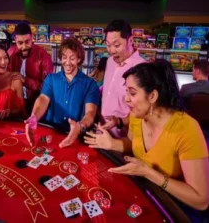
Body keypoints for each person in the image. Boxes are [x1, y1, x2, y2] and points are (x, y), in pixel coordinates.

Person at [84, 60, 209, 221]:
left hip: (174, 208)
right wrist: (111, 144)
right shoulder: (137, 116)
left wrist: (149, 173)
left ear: (152, 96)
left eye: (132, 93)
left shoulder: (187, 128)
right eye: (126, 92)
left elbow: (201, 200)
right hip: (144, 193)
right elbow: (133, 145)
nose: (126, 99)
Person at [25, 38, 99, 147]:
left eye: (72, 58)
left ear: (79, 59)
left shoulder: (90, 84)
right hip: (51, 133)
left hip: (75, 138)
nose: (67, 62)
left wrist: (79, 126)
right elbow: (43, 99)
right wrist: (34, 116)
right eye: (64, 58)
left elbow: (90, 114)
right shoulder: (51, 79)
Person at [101, 19, 145, 138]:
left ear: (130, 40)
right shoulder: (110, 61)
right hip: (102, 130)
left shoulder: (142, 68)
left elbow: (144, 111)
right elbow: (109, 89)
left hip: (125, 137)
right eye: (108, 45)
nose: (111, 50)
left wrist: (120, 121)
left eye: (116, 45)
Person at [8, 22, 53, 114]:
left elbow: (48, 88)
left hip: (35, 106)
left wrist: (25, 80)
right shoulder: (10, 53)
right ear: (15, 40)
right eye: (20, 43)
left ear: (32, 38)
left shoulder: (43, 56)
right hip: (13, 105)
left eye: (27, 42)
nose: (24, 47)